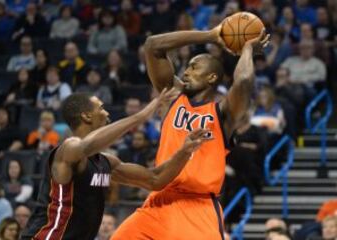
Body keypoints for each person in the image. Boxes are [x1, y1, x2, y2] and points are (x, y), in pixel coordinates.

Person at [111, 21, 269, 240]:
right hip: (159, 199)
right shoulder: (173, 98)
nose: (185, 72)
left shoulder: (223, 113)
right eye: (187, 67)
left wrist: (247, 49)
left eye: (194, 67)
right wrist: (211, 36)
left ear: (212, 77)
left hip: (197, 206)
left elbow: (242, 81)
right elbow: (153, 45)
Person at [21, 90, 208, 239]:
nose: (107, 112)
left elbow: (155, 179)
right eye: (101, 108)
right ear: (86, 116)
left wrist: (185, 151)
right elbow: (85, 146)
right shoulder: (69, 148)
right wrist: (140, 116)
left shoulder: (106, 162)